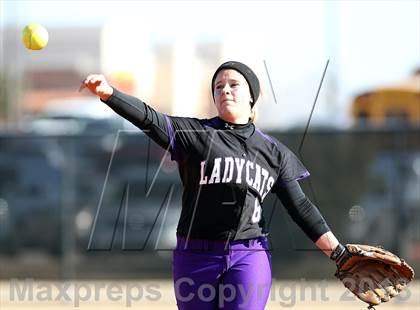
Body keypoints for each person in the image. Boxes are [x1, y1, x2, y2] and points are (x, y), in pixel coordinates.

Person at [80, 61, 348, 310]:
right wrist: (109, 94)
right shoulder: (196, 135)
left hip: (248, 253)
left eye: (234, 84)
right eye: (218, 87)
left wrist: (339, 254)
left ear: (252, 96)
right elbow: (150, 119)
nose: (225, 90)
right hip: (195, 254)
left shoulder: (274, 152)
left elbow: (301, 207)